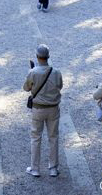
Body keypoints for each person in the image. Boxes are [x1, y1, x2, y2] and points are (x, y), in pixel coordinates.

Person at [23, 44, 63, 178]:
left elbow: (26, 88)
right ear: (48, 57)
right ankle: (53, 168)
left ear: (37, 57)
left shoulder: (33, 72)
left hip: (38, 108)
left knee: (35, 137)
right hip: (53, 109)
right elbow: (60, 86)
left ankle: (35, 168)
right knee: (53, 137)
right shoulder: (56, 72)